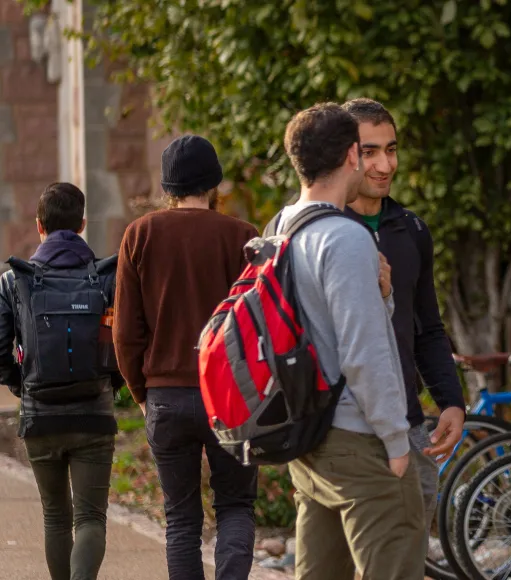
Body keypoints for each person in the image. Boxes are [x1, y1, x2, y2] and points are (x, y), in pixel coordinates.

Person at [274, 102, 424, 580]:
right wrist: (397, 442)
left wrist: (383, 296)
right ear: (351, 156)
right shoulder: (345, 238)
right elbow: (364, 354)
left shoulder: (280, 228)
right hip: (358, 438)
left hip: (307, 435)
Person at [114, 135, 262, 580]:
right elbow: (259, 326)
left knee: (181, 519)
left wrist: (142, 392)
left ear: (167, 187)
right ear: (214, 183)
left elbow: (125, 332)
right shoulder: (243, 237)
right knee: (236, 505)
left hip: (165, 394)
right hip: (231, 397)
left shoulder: (139, 235)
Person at [339, 98, 466, 530]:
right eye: (370, 151)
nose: (383, 164)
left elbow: (427, 326)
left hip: (406, 421)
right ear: (346, 156)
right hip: (343, 426)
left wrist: (451, 400)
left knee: (406, 551)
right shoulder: (323, 228)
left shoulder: (411, 229)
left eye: (390, 149)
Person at [0, 183, 121, 580]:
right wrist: (112, 386)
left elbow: (0, 349)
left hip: (40, 416)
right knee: (90, 518)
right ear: (83, 224)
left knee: (55, 517)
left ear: (39, 226)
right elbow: (121, 343)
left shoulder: (13, 281)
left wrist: (22, 385)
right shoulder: (106, 278)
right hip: (93, 414)